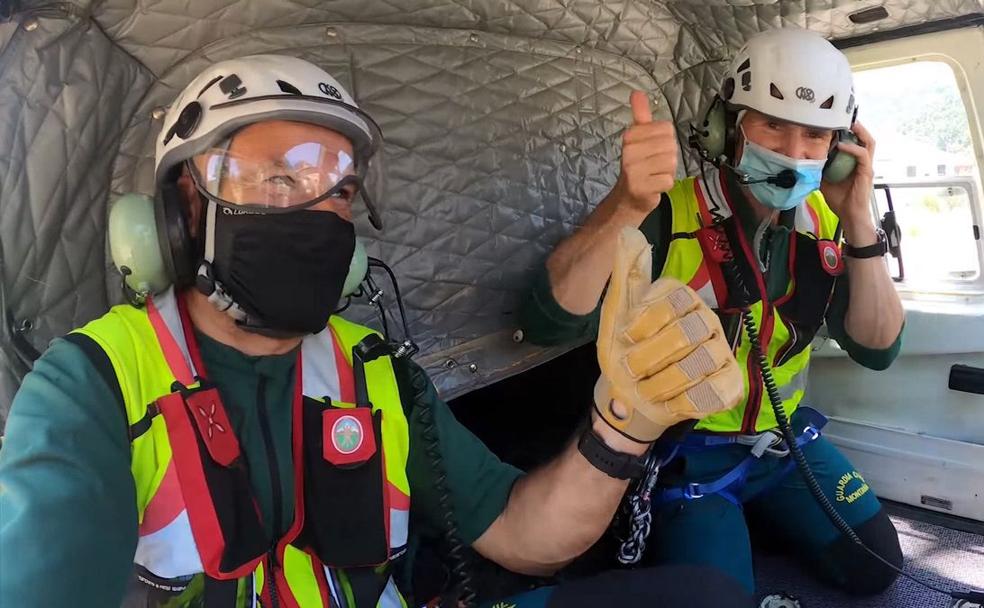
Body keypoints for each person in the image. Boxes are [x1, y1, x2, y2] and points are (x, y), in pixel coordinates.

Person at [0, 54, 753, 608]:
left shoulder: (377, 377)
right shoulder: (90, 383)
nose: (320, 211)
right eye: (280, 177)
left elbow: (525, 534)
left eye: (340, 191)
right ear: (182, 212)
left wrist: (623, 424)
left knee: (706, 597)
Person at [520, 28, 906, 597]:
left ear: (840, 150)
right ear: (728, 127)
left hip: (782, 443)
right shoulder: (667, 213)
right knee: (716, 595)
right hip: (688, 456)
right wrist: (625, 205)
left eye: (815, 135)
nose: (793, 152)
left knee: (877, 563)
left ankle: (758, 524)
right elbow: (547, 320)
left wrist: (857, 220)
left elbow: (878, 349)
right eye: (771, 123)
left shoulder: (824, 223)